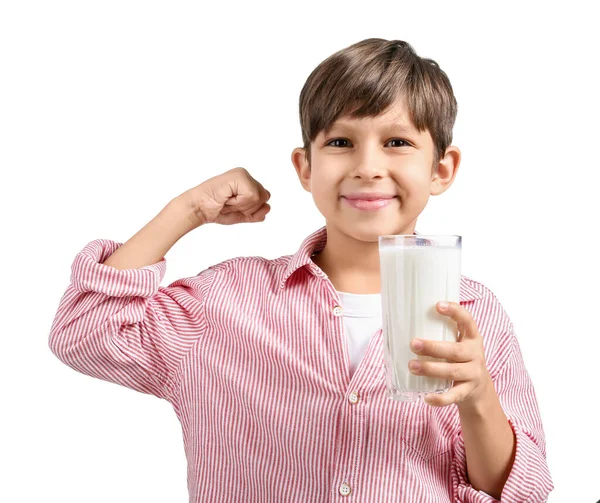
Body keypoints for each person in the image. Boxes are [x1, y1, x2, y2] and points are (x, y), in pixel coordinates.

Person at [48, 38, 554, 502]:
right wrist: (188, 210)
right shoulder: (229, 299)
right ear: (305, 167)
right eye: (340, 143)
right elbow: (84, 332)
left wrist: (479, 396)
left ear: (441, 169)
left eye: (397, 142)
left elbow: (520, 491)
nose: (367, 166)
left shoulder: (475, 313)